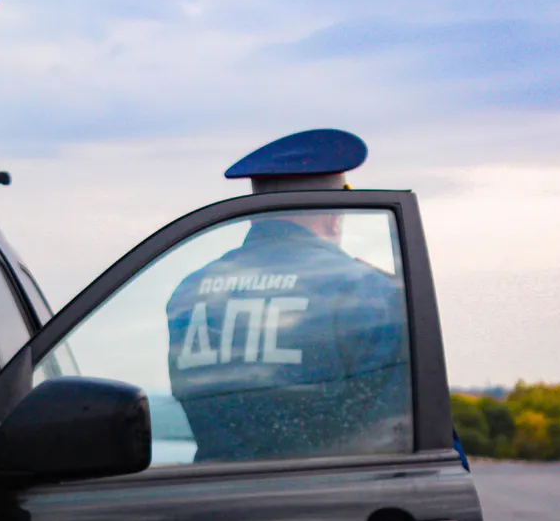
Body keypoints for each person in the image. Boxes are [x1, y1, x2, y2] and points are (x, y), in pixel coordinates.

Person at [166, 129, 413, 462]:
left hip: (213, 489)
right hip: (331, 489)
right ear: (334, 210)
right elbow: (397, 432)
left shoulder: (190, 291)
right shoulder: (367, 291)